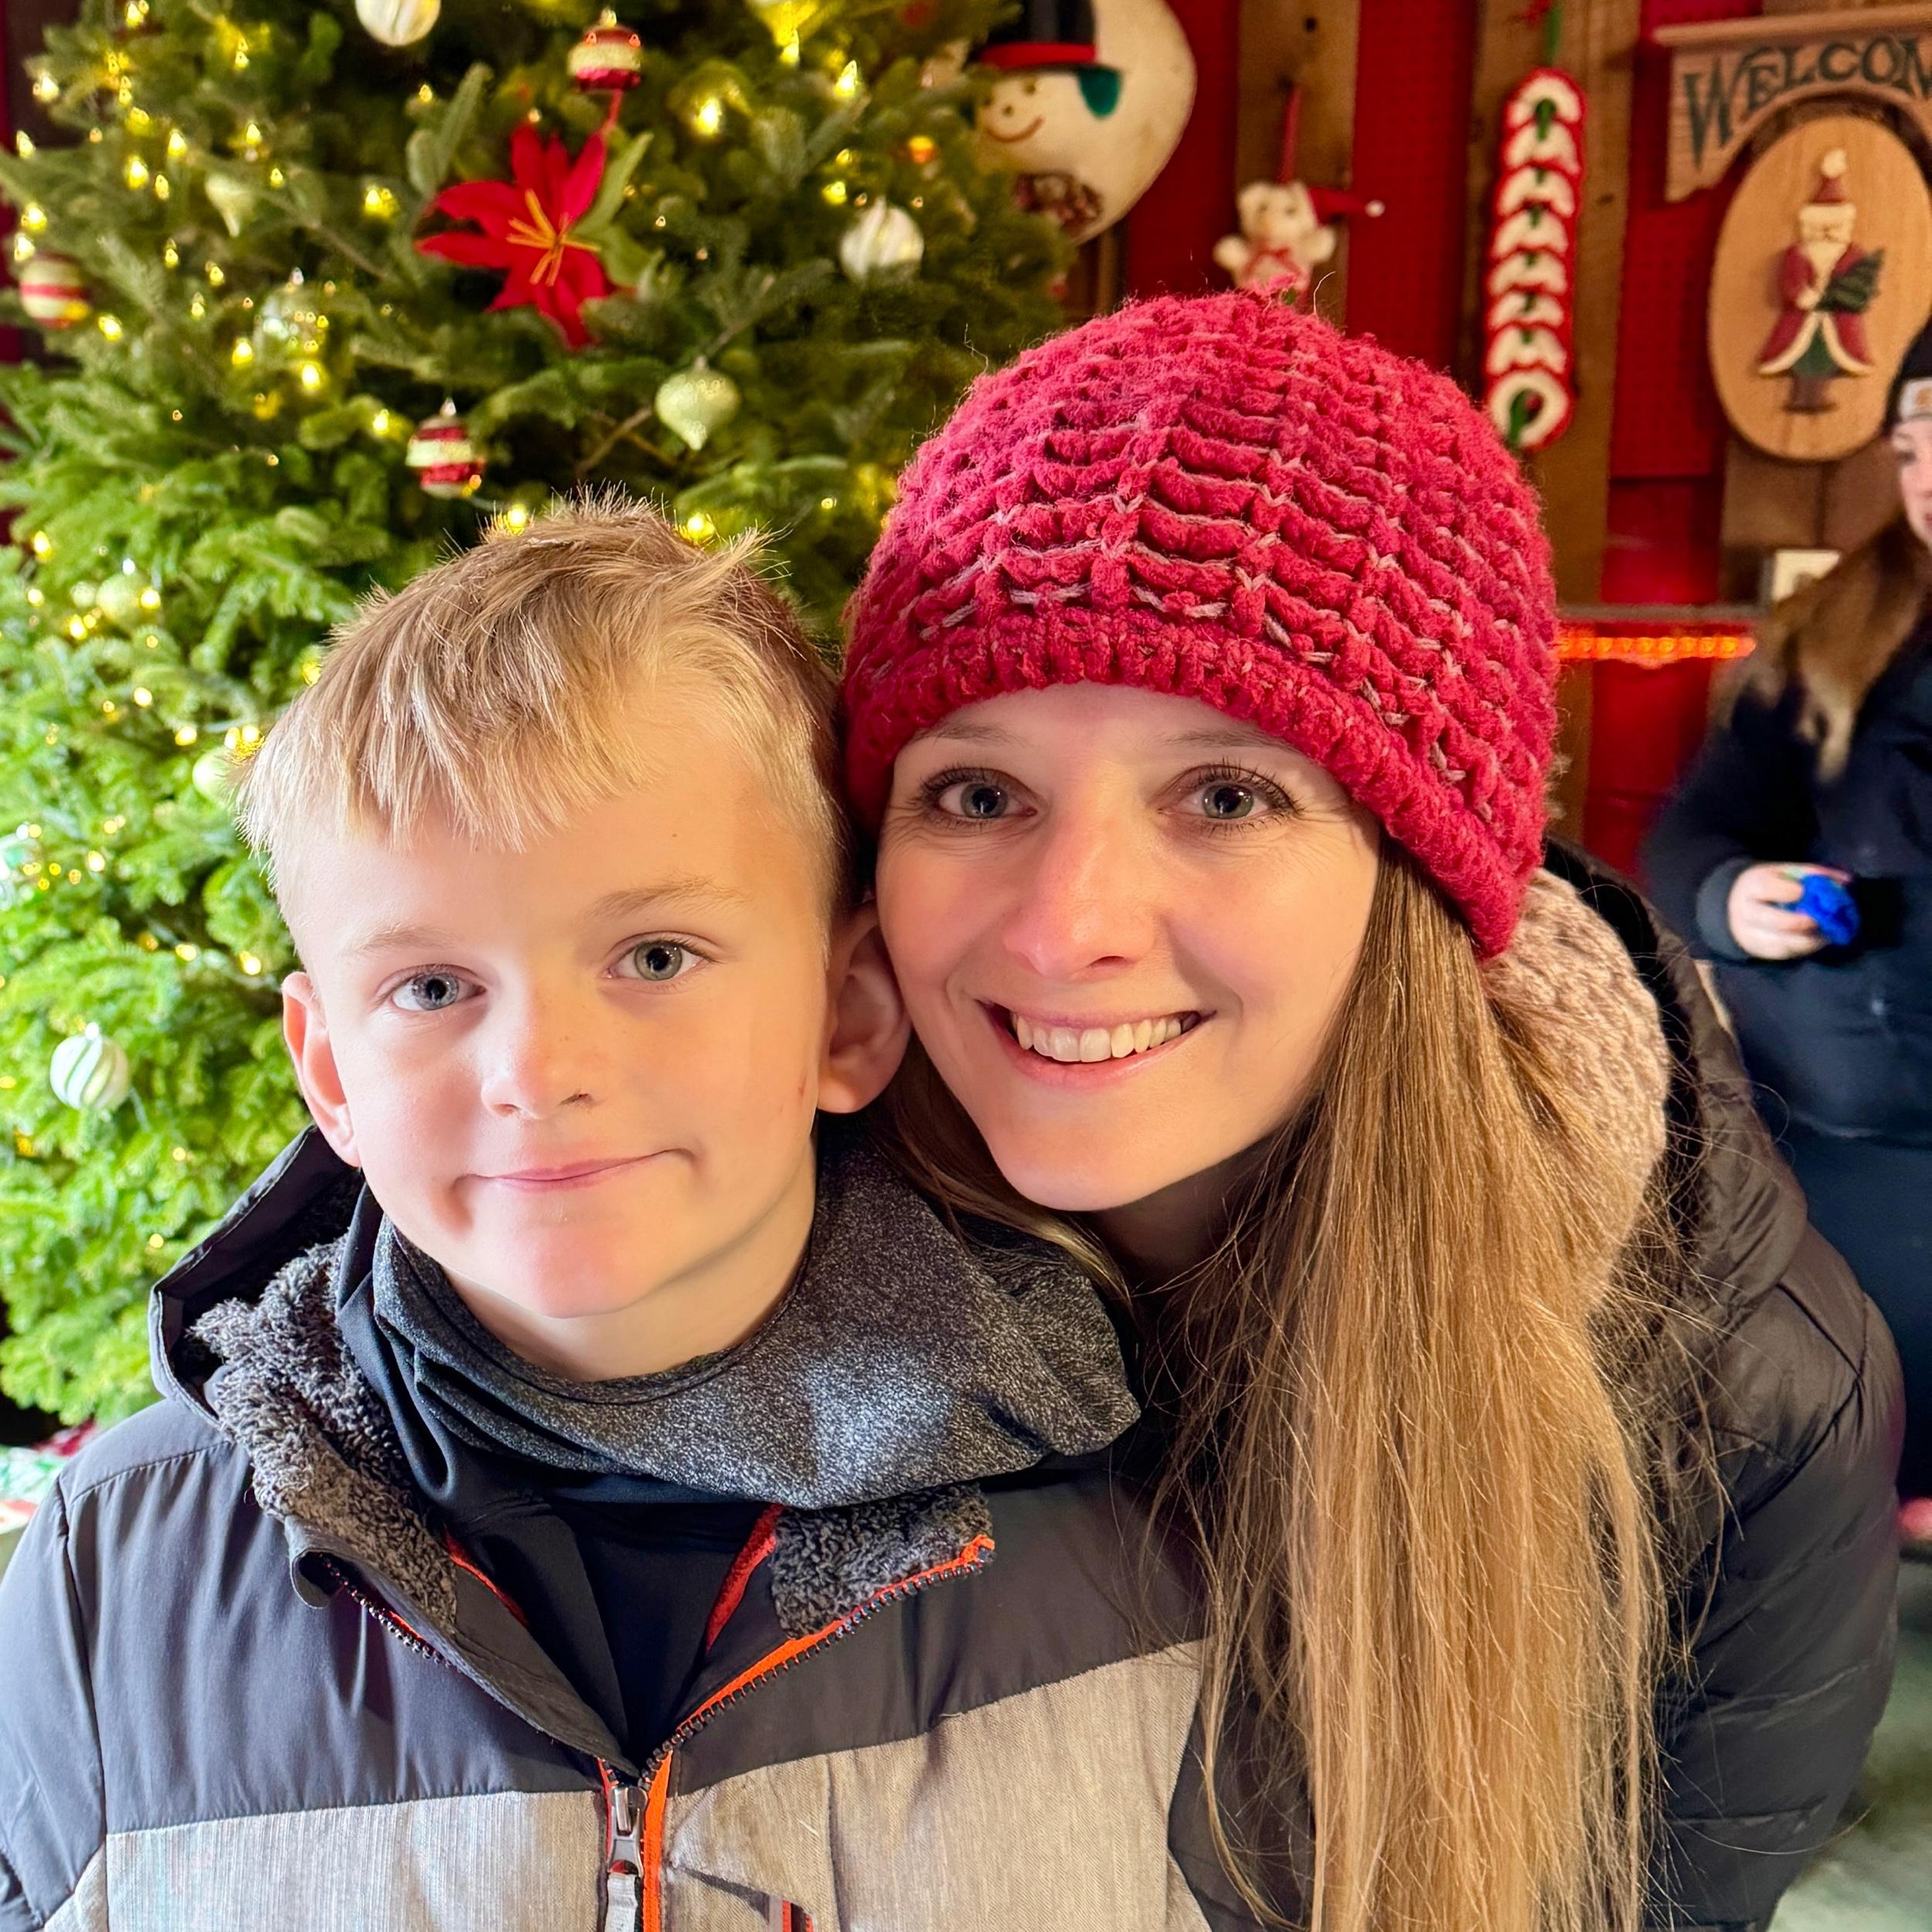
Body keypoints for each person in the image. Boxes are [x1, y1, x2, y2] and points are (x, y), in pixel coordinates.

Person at [0, 499, 1241, 1930]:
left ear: (847, 1013)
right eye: (431, 987)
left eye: (655, 956)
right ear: (331, 1072)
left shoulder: (1159, 1521)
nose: (539, 1074)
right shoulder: (113, 1573)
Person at [841, 290, 1902, 1932]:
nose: (1065, 926)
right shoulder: (719, 1240)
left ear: (1415, 881)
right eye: (977, 793)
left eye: (1225, 793)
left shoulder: (1742, 1402)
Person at [1647, 320, 1932, 1548]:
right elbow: (1693, 835)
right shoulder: (1838, 624)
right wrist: (1733, 899)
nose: (1928, 476)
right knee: (1816, 1491)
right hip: (1820, 1154)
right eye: (1913, 445)